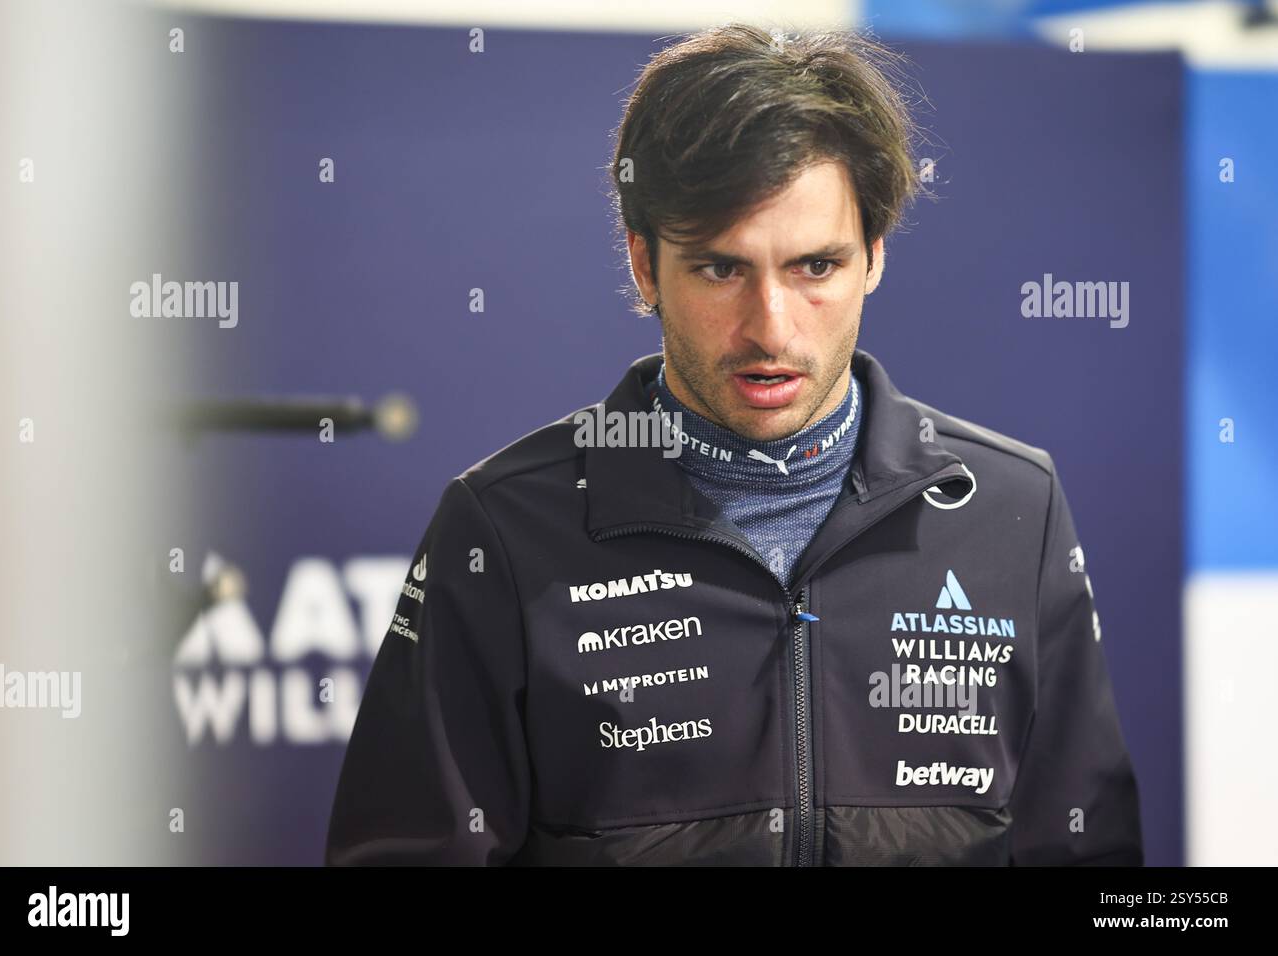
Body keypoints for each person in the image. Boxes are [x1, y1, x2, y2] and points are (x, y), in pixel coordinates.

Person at [325, 23, 1142, 866]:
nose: (771, 329)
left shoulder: (1013, 507)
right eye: (721, 270)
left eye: (815, 267)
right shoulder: (503, 529)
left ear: (874, 258)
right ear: (644, 267)